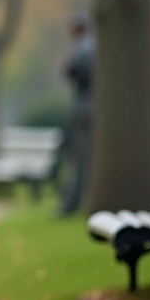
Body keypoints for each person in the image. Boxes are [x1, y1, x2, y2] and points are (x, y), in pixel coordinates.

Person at [58, 13, 95, 215]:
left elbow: (81, 75)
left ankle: (72, 202)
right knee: (79, 157)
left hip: (84, 110)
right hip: (87, 109)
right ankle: (72, 200)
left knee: (79, 158)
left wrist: (68, 68)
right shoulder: (89, 46)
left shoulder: (85, 48)